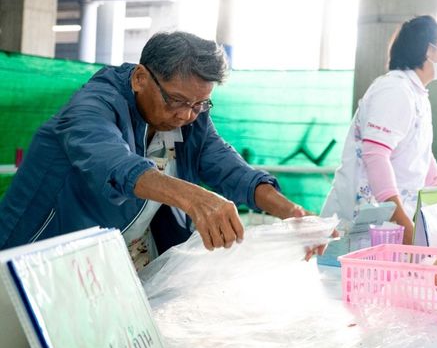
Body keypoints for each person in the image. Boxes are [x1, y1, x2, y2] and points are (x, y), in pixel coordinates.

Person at [0, 31, 315, 269]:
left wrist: (290, 211)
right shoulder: (91, 108)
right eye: (177, 101)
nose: (186, 115)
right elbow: (115, 165)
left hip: (104, 263)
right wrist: (195, 197)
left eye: (200, 104)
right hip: (31, 260)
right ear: (140, 78)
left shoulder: (189, 117)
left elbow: (225, 164)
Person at [321, 15, 437, 244]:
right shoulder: (394, 90)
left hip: (389, 223)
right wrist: (402, 221)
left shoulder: (417, 95)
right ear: (429, 50)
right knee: (349, 277)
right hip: (361, 226)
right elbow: (376, 155)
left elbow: (422, 156)